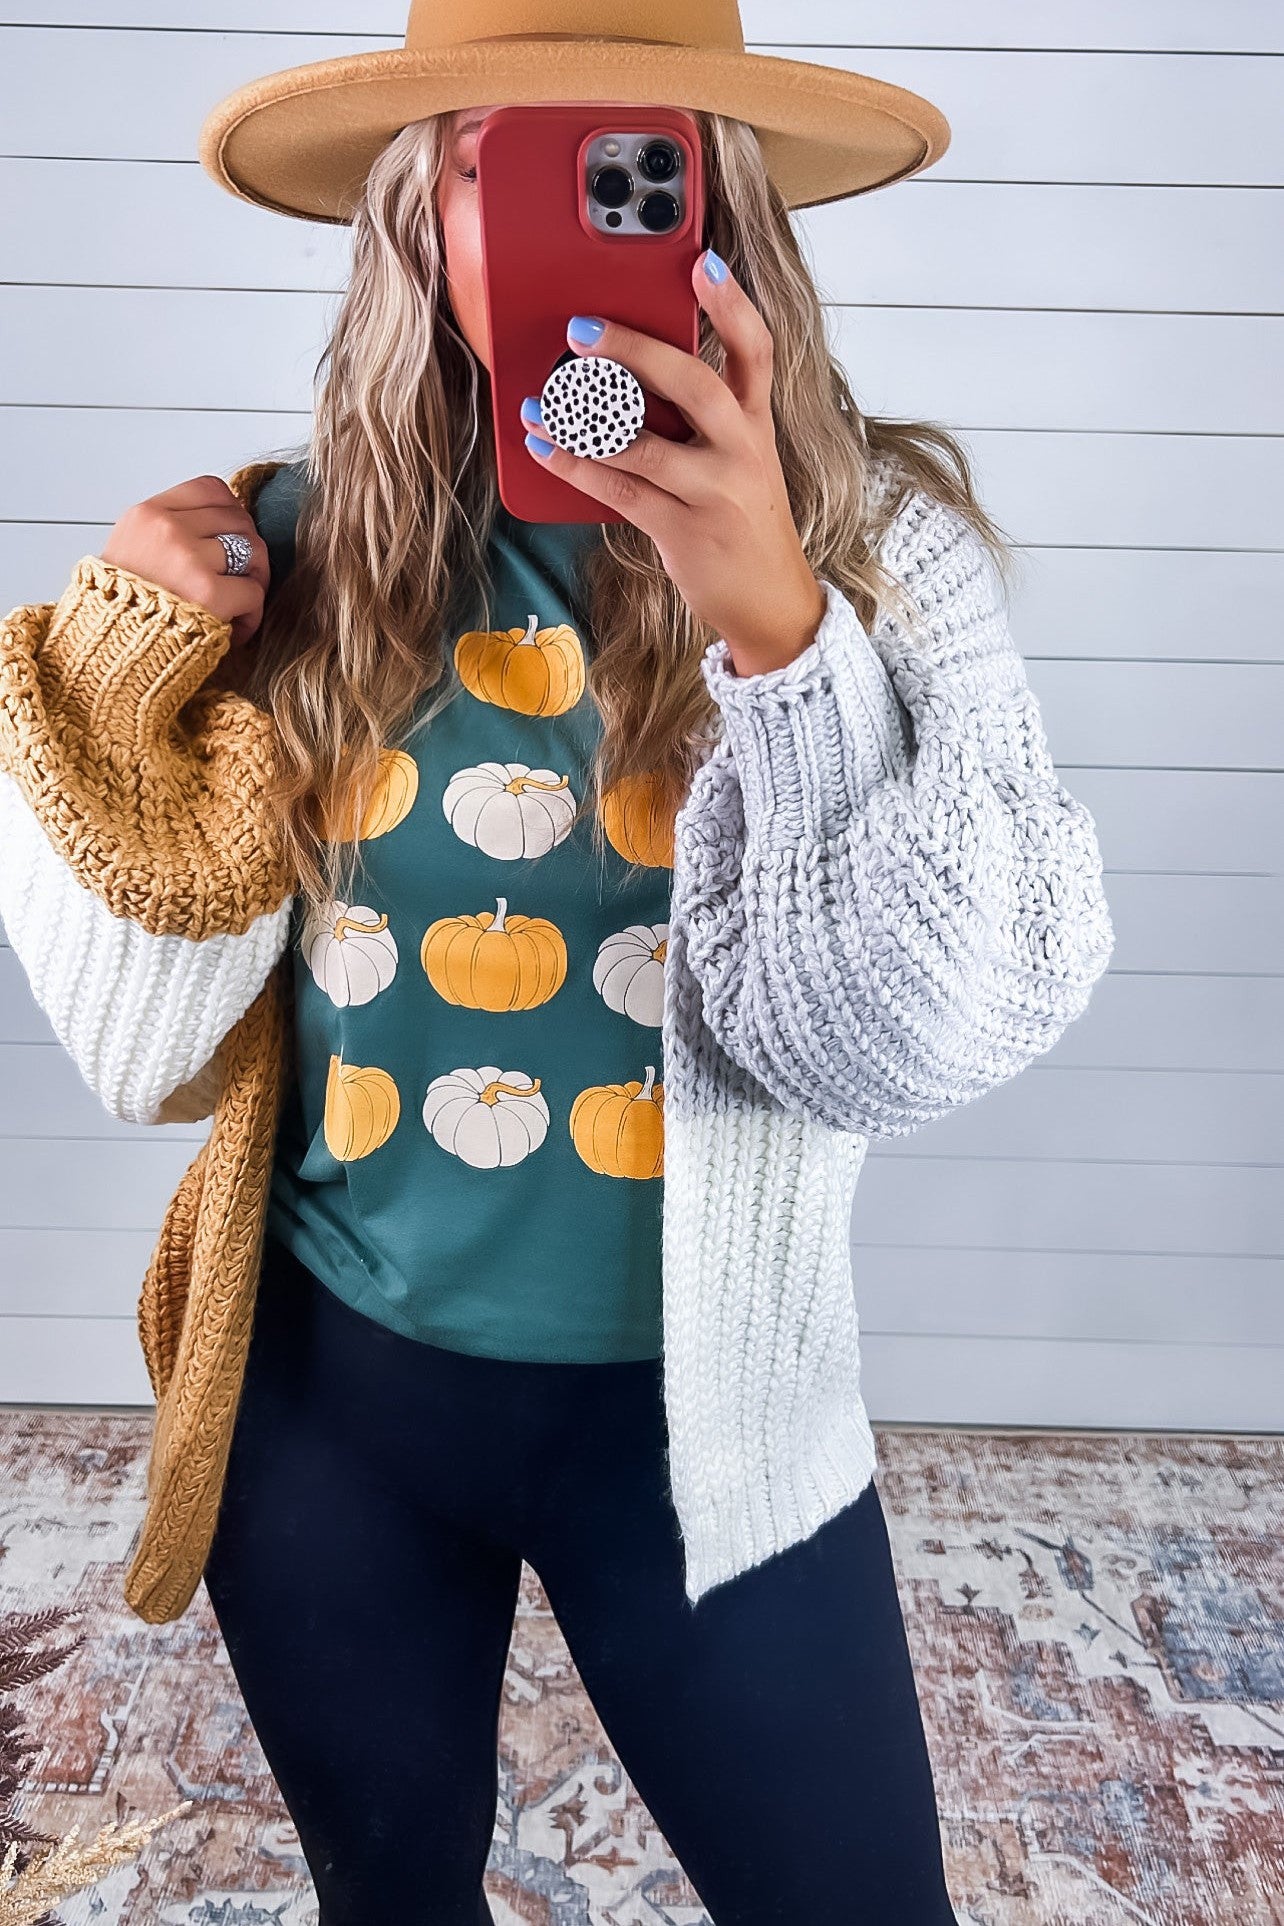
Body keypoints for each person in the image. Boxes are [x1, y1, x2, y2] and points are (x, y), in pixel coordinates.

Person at [0, 3, 1116, 1920]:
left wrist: (784, 641)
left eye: (626, 164)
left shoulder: (881, 559)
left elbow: (907, 1039)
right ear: (413, 215)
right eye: (485, 162)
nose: (547, 224)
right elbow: (140, 1044)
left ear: (714, 198)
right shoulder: (294, 552)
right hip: (332, 1418)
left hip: (715, 1431)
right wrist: (116, 673)